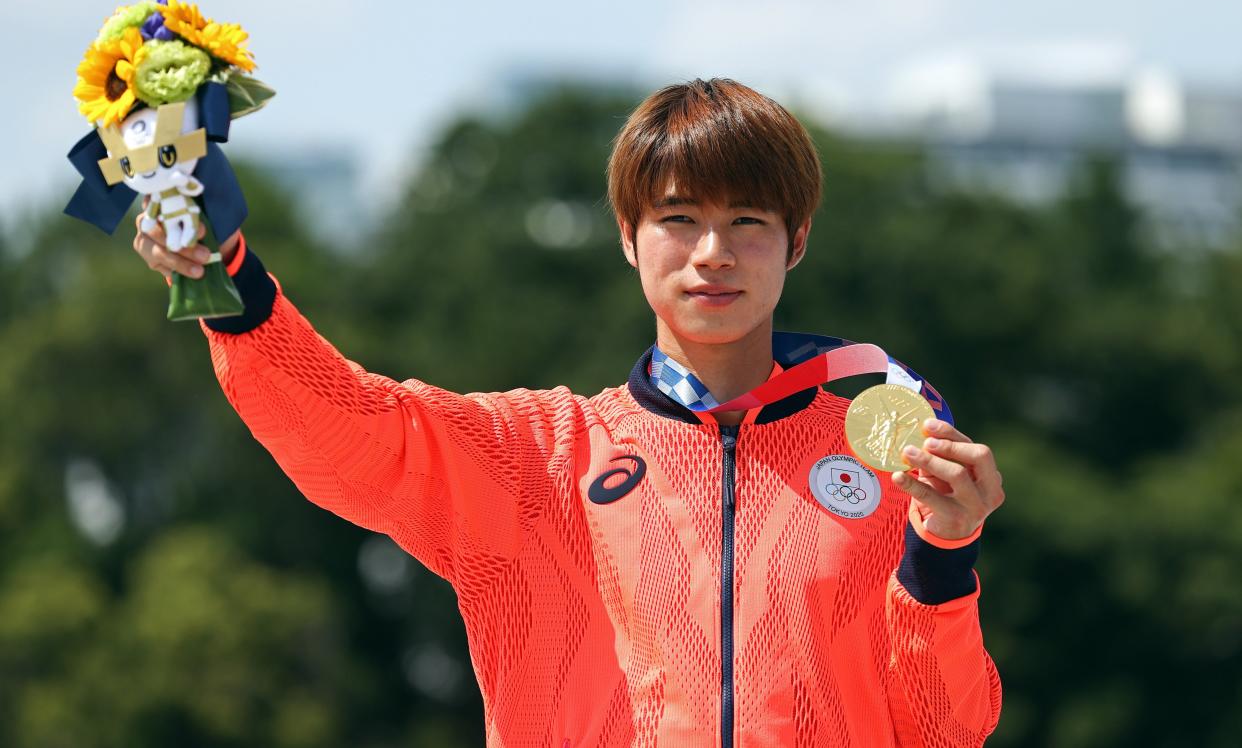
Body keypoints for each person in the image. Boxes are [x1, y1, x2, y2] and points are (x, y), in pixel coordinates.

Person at [133, 78, 1004, 746]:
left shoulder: (888, 464)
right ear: (627, 237)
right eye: (677, 218)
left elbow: (946, 727)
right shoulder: (537, 458)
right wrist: (237, 294)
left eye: (748, 220)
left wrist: (944, 557)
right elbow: (355, 433)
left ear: (797, 240)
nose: (713, 253)